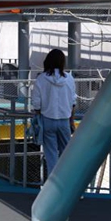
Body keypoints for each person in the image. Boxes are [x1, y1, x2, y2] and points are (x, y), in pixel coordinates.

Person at [30, 48, 76, 178]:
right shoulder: (69, 79)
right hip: (65, 121)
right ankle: (68, 184)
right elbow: (73, 101)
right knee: (66, 154)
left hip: (47, 120)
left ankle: (52, 187)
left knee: (51, 155)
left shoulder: (41, 79)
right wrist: (71, 120)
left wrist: (38, 113)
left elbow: (36, 103)